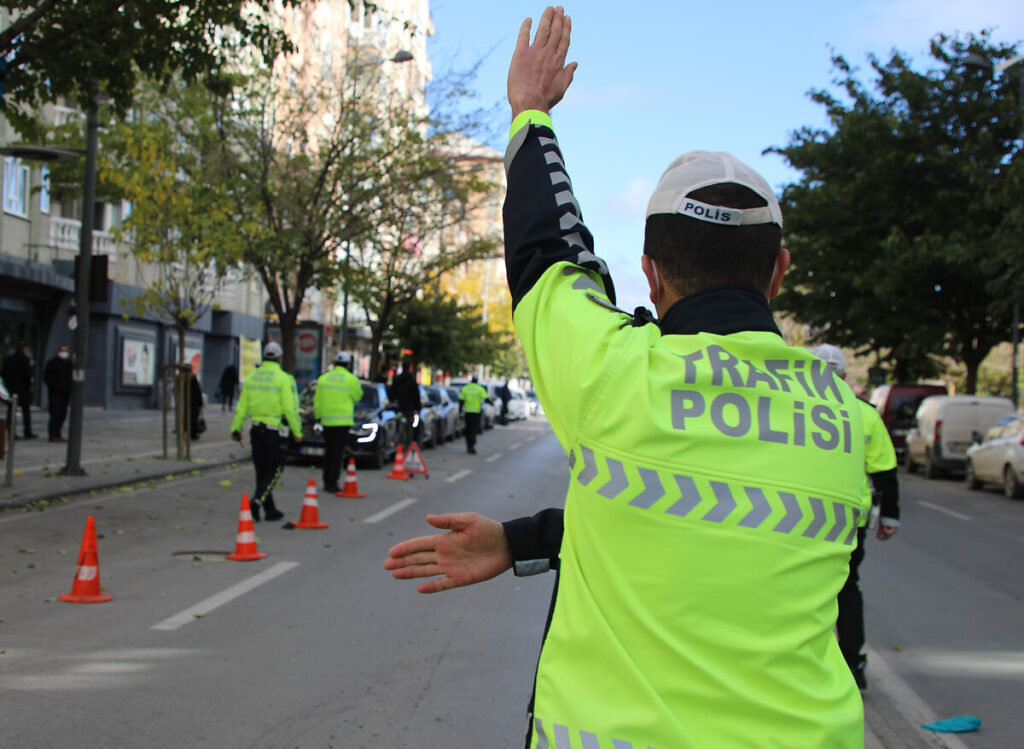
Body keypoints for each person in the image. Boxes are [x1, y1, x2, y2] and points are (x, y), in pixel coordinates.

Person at [386, 8, 869, 748]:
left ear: (649, 273)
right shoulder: (846, 423)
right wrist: (526, 539)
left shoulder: (617, 380)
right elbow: (709, 525)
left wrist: (531, 114)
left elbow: (548, 251)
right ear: (780, 269)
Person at [812, 343, 900, 690]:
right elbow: (885, 471)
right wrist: (890, 517)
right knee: (847, 590)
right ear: (845, 375)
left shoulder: (793, 406)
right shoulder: (864, 413)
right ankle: (852, 664)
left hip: (794, 517)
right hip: (850, 520)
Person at [230, 342, 301, 522]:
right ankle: (258, 501)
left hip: (255, 429)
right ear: (279, 358)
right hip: (274, 432)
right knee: (276, 467)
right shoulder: (284, 379)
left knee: (261, 470)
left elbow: (242, 406)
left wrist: (236, 428)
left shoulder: (252, 376)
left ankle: (270, 509)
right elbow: (290, 408)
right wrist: (297, 431)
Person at [314, 351, 362, 494]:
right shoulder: (351, 379)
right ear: (348, 364)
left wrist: (318, 418)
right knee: (338, 454)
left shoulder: (323, 378)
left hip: (327, 422)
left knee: (328, 452)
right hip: (343, 422)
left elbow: (317, 401)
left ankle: (326, 479)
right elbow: (357, 396)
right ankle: (333, 482)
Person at [1, 341, 36, 439]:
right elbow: (27, 375)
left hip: (12, 389)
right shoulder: (25, 359)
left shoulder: (9, 359)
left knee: (12, 411)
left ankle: (11, 431)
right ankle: (27, 431)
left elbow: (3, 373)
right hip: (23, 389)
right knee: (26, 411)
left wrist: (8, 385)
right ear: (24, 349)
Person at [43, 344, 72, 443]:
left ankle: (58, 433)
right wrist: (54, 387)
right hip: (55, 393)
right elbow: (47, 377)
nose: (64, 353)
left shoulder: (69, 364)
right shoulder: (52, 363)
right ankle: (53, 434)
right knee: (54, 413)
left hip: (65, 393)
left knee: (62, 414)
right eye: (62, 350)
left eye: (66, 350)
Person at [390, 364, 421, 449]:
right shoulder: (411, 380)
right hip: (409, 408)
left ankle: (398, 444)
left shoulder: (397, 379)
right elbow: (416, 395)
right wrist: (418, 407)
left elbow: (392, 392)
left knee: (399, 426)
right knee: (409, 428)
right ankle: (408, 446)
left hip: (399, 407)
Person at [458, 376, 487, 455]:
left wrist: (460, 411)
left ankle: (468, 445)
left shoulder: (465, 388)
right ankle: (472, 445)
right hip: (476, 412)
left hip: (467, 412)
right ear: (477, 381)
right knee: (474, 429)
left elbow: (461, 400)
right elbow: (485, 398)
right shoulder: (480, 388)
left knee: (468, 429)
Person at [188, 371, 204, 440]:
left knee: (189, 418)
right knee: (194, 418)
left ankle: (190, 432)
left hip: (187, 402)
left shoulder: (183, 379)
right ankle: (193, 433)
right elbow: (198, 391)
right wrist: (200, 403)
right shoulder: (193, 378)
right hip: (194, 403)